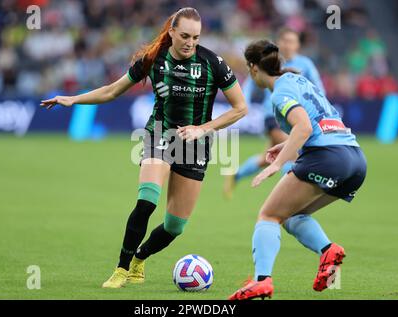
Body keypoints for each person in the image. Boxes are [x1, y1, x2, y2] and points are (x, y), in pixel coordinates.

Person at [40, 7, 247, 289]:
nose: (190, 42)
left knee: (175, 226)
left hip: (194, 144)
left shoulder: (213, 63)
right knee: (147, 201)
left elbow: (240, 108)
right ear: (172, 31)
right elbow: (112, 91)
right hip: (159, 134)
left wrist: (202, 128)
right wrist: (73, 99)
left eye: (196, 37)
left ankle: (140, 257)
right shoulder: (153, 59)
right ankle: (121, 269)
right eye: (184, 35)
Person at [228, 40, 367, 300]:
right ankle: (328, 250)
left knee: (269, 215)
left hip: (327, 157)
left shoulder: (280, 92)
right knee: (291, 216)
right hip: (355, 159)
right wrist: (284, 146)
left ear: (253, 68)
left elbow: (303, 127)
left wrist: (278, 165)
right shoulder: (300, 80)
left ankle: (262, 281)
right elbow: (318, 122)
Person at [224, 28, 325, 199]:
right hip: (273, 115)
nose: (288, 44)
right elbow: (250, 83)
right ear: (278, 43)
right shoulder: (271, 62)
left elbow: (317, 86)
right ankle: (288, 197)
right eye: (284, 40)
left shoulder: (305, 64)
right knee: (292, 154)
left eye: (291, 41)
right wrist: (243, 104)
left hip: (295, 116)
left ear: (297, 45)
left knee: (268, 158)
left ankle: (236, 174)